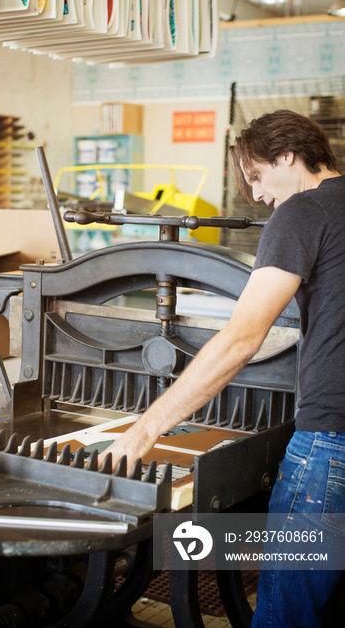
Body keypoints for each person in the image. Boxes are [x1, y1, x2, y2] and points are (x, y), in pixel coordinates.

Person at [100, 109, 345, 627]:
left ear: (288, 155)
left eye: (256, 176)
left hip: (331, 447)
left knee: (285, 614)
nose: (255, 196)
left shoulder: (302, 212)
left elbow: (240, 339)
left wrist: (144, 429)